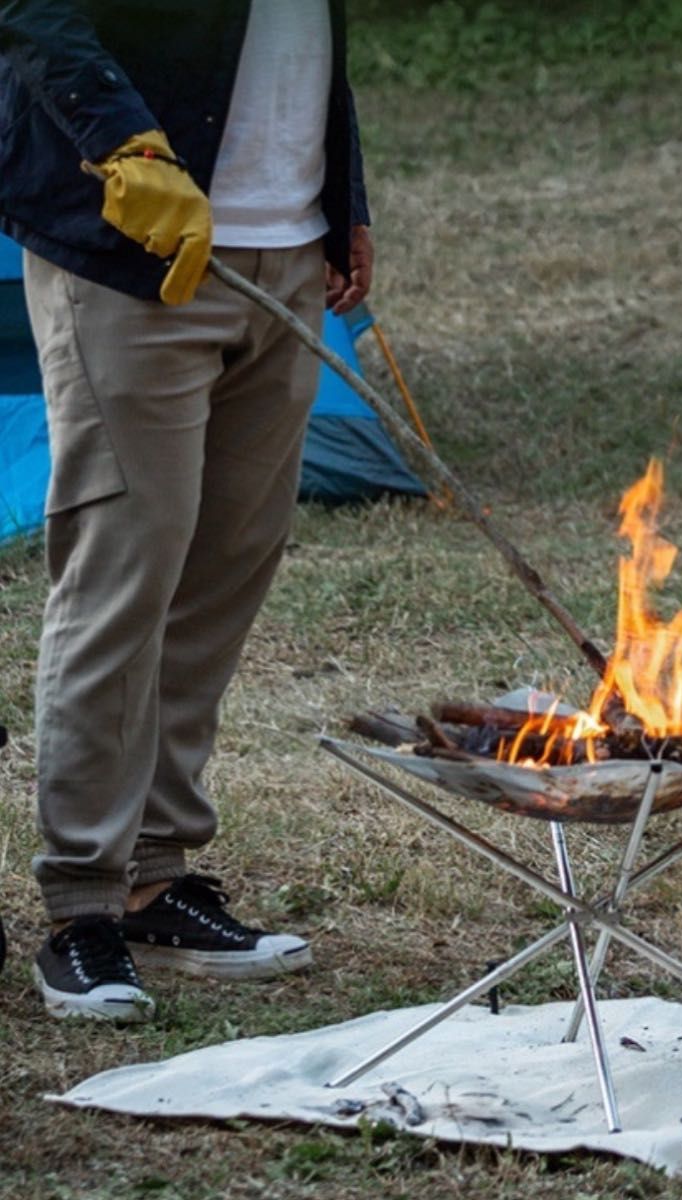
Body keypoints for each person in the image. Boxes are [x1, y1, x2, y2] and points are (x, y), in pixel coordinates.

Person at [0, 0, 372, 1021]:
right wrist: (122, 142)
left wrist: (345, 205)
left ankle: (155, 882)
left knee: (221, 572)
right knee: (125, 571)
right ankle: (81, 910)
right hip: (132, 244)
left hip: (286, 251)